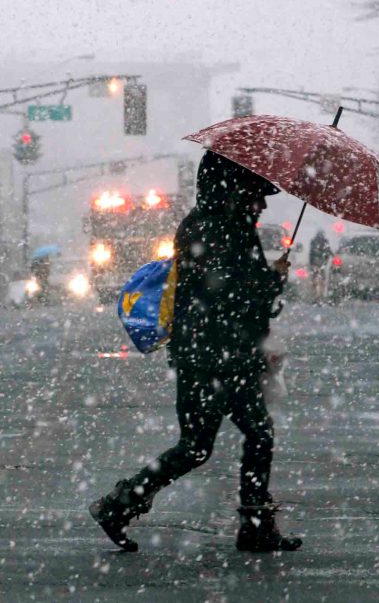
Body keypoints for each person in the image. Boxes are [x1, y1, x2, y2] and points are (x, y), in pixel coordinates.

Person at [90, 151, 302, 553]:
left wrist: (266, 285)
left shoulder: (223, 226)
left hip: (224, 355)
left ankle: (253, 525)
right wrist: (268, 280)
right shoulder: (217, 230)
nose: (262, 204)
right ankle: (117, 505)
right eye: (256, 194)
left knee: (252, 434)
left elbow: (240, 292)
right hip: (210, 358)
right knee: (200, 446)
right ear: (233, 192)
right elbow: (227, 294)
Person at [308, 229, 332, 302]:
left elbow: (312, 253)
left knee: (317, 280)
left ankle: (317, 296)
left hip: (318, 263)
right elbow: (327, 252)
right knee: (319, 280)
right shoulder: (324, 242)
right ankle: (318, 296)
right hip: (320, 263)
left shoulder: (315, 241)